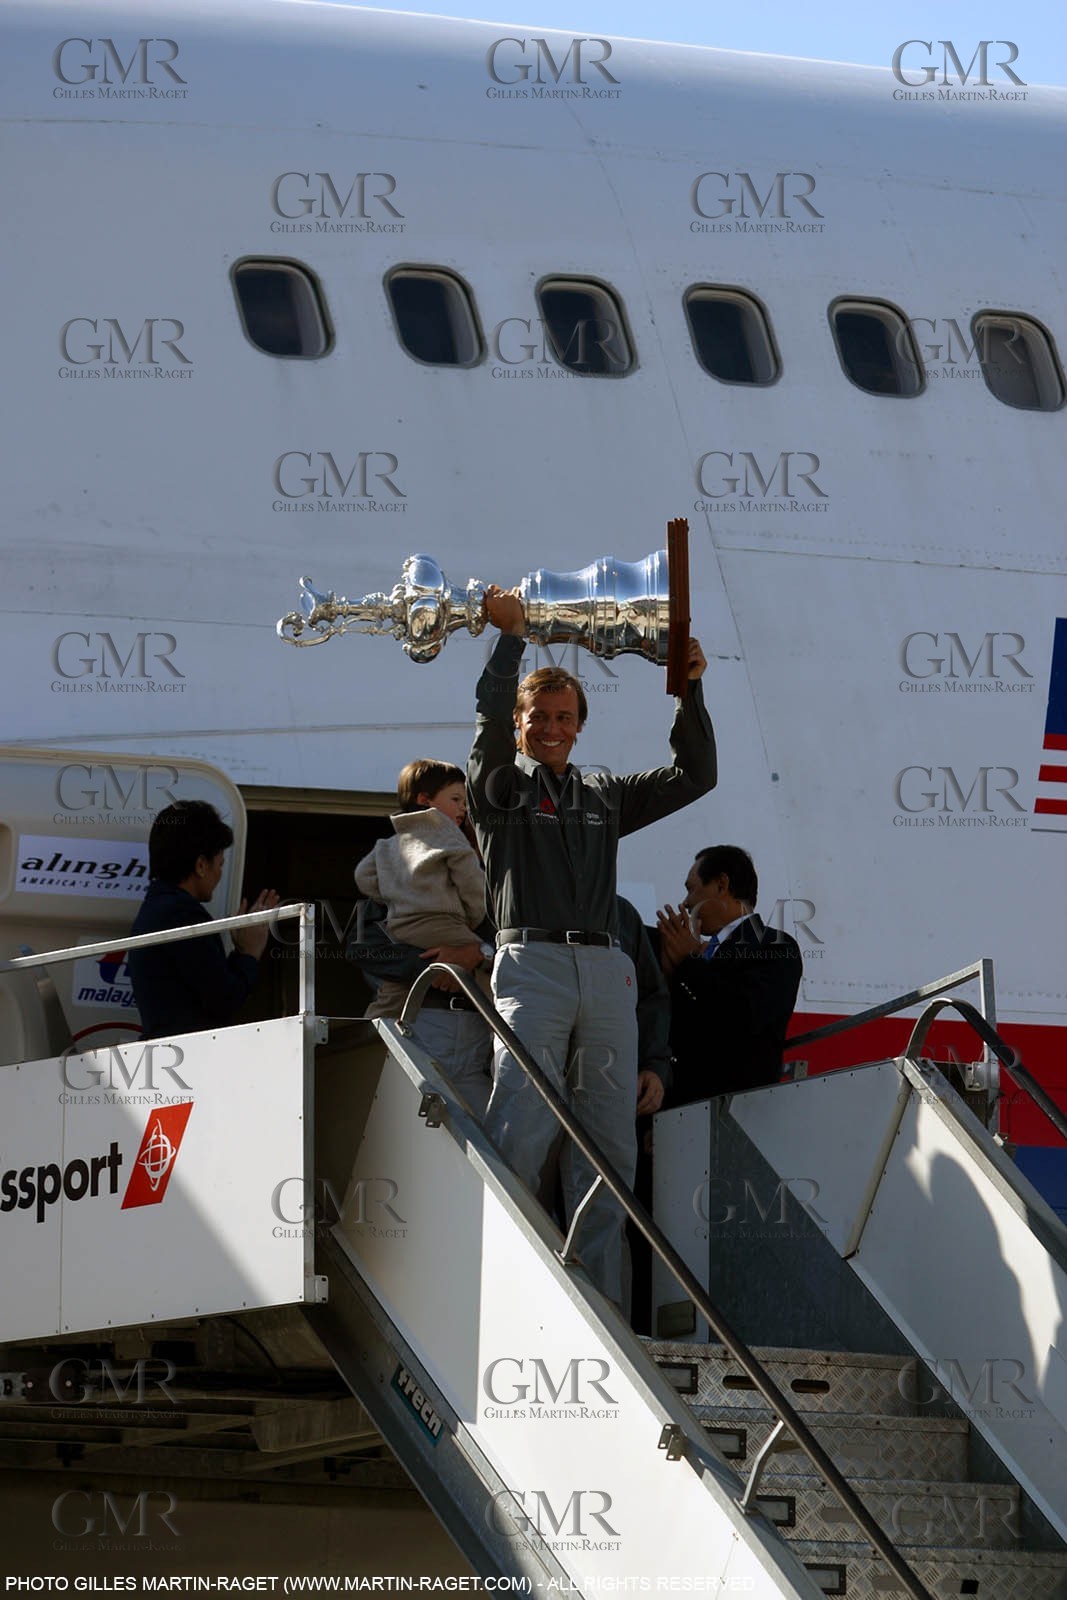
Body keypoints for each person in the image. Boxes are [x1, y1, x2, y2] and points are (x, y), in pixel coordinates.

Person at [467, 585, 716, 1309]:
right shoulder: (498, 789)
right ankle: (502, 1290)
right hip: (533, 965)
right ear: (520, 726)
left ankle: (600, 1312)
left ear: (579, 727)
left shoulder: (604, 793)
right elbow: (486, 717)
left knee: (609, 1150)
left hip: (608, 971)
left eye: (563, 717)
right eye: (538, 717)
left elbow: (695, 776)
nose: (551, 728)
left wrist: (689, 690)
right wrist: (511, 638)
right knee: (520, 1128)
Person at [354, 760, 494, 1116]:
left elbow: (363, 877)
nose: (464, 812)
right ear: (426, 801)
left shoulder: (387, 850)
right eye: (457, 801)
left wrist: (478, 953)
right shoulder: (450, 849)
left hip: (476, 1037)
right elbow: (364, 948)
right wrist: (434, 967)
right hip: (425, 1020)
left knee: (484, 1129)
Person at [656, 844, 802, 1103]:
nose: (686, 903)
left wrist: (688, 965)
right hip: (677, 1106)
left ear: (722, 884)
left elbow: (743, 1015)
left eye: (692, 889)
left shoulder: (775, 946)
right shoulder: (701, 955)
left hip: (733, 1108)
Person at [127, 800, 278, 1040]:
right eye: (220, 864)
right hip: (186, 1055)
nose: (219, 874)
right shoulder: (183, 915)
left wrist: (240, 954)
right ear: (200, 865)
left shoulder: (156, 908)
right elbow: (224, 999)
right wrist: (250, 953)